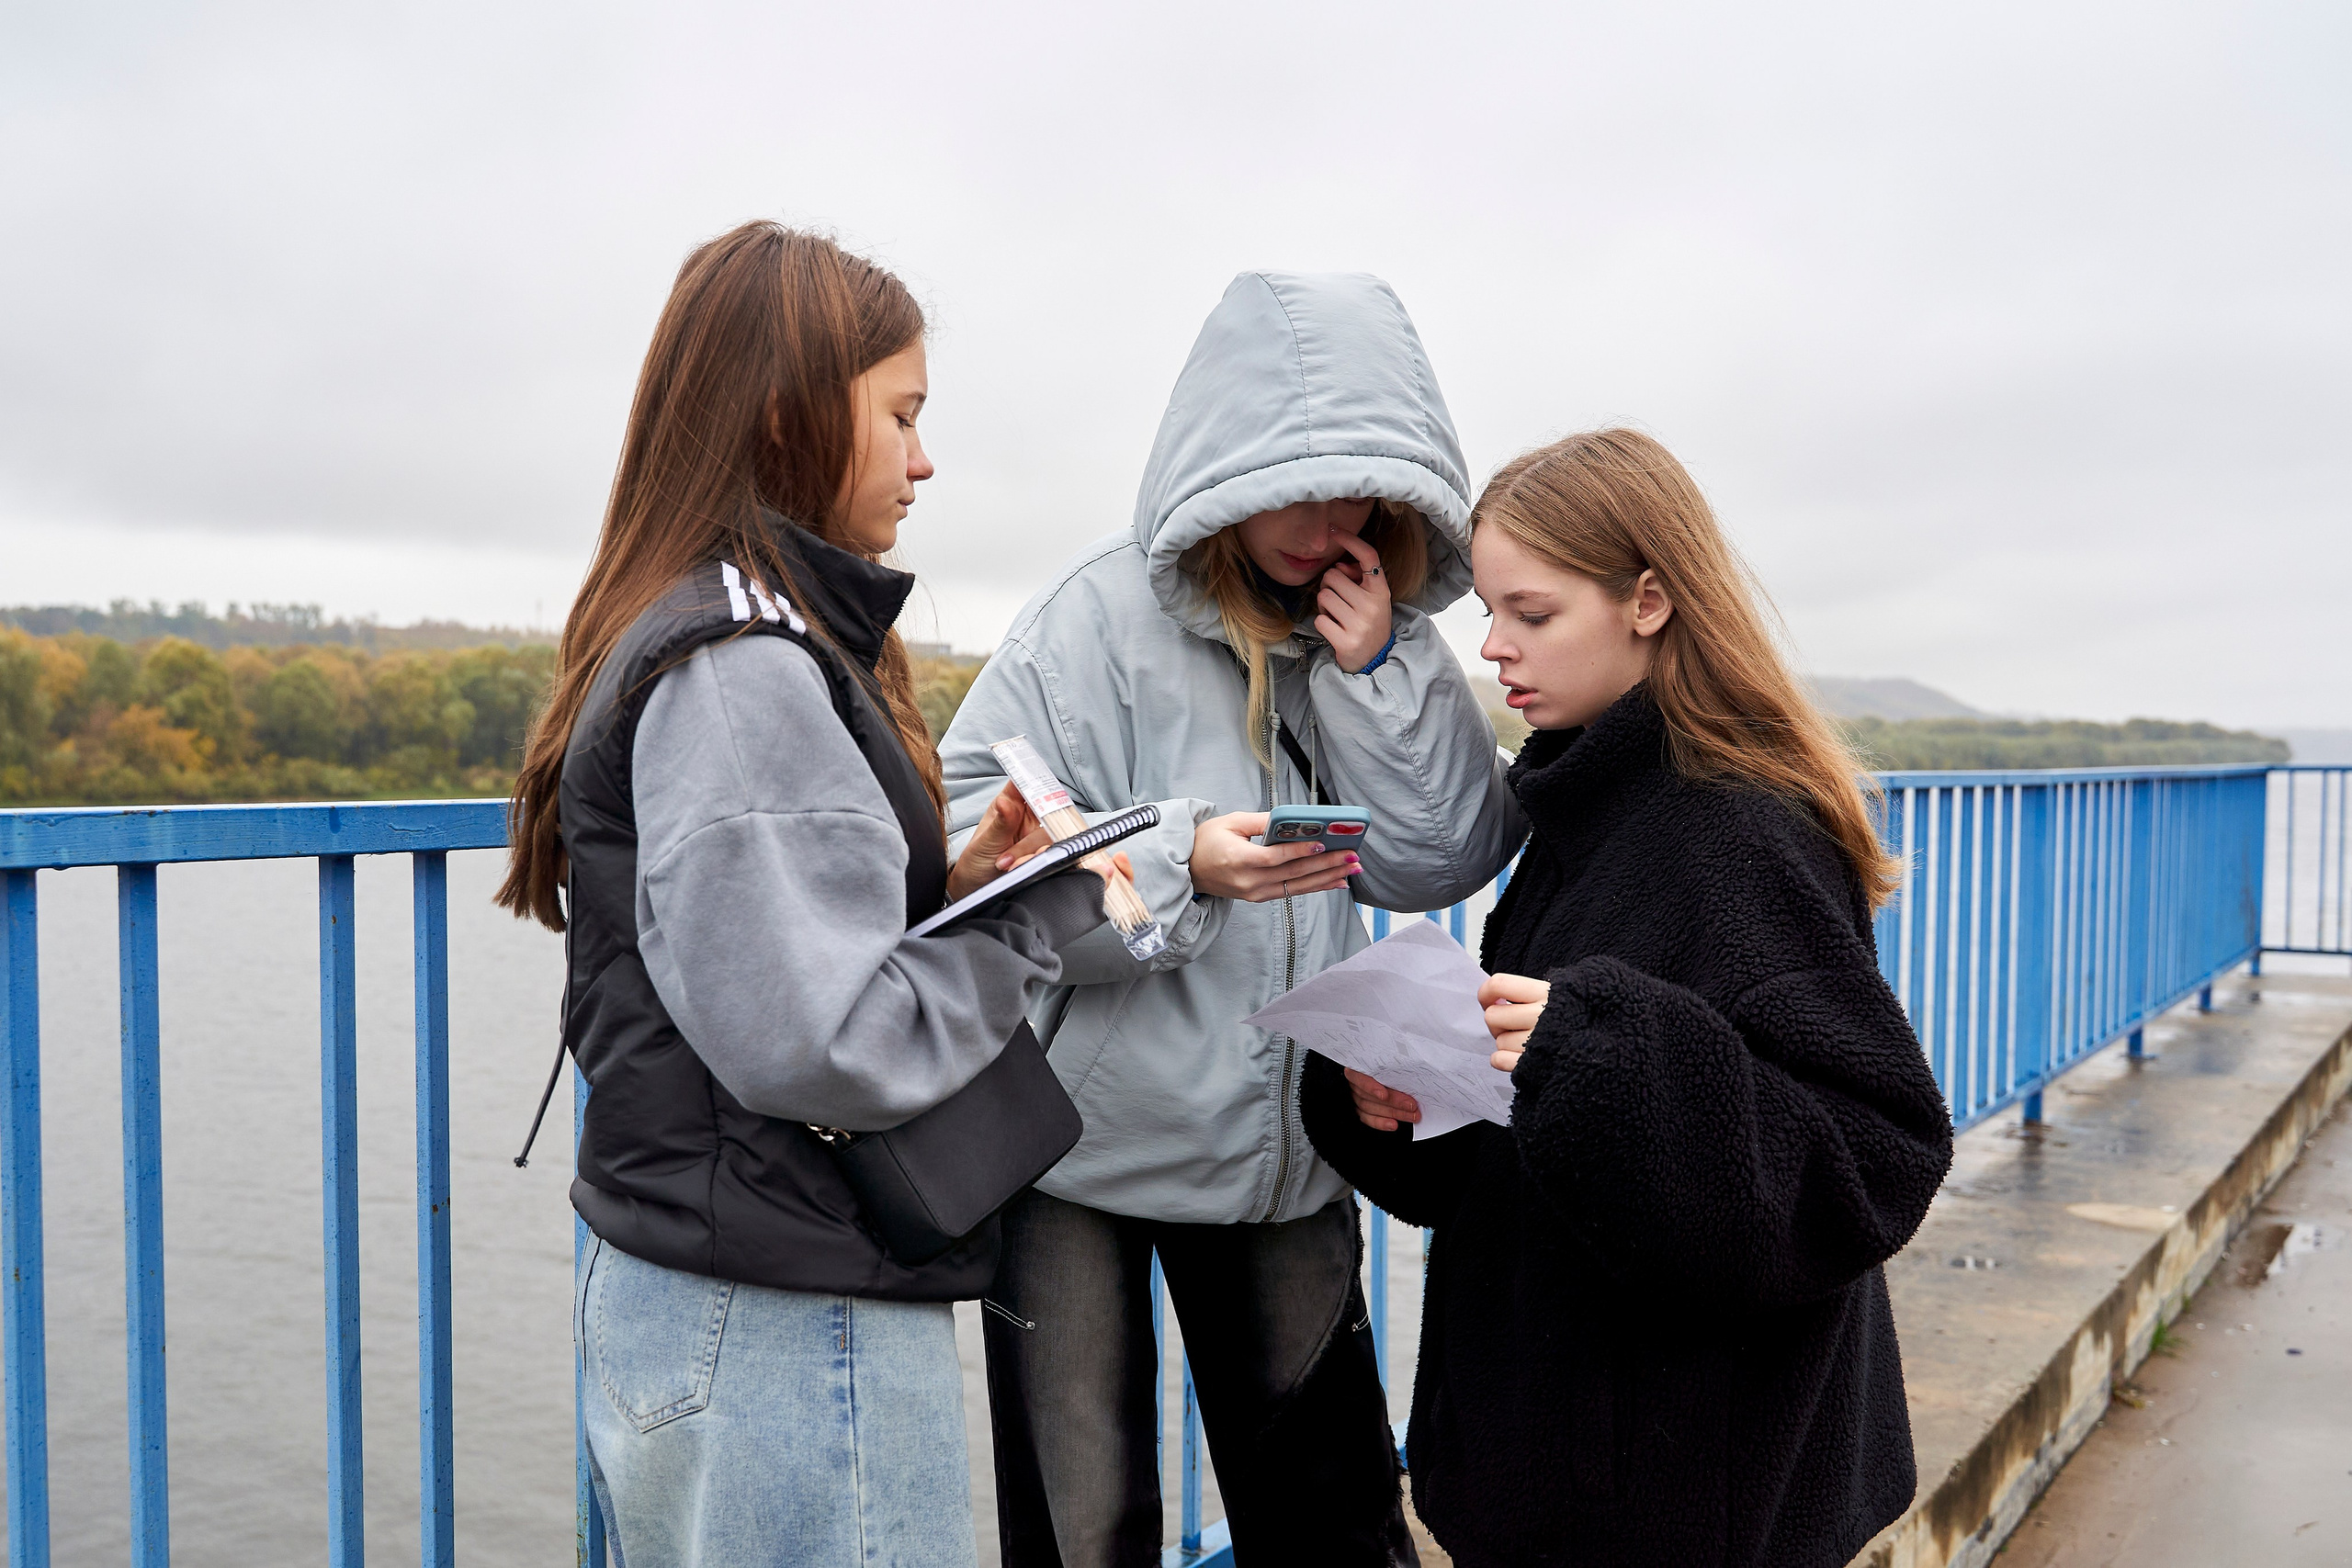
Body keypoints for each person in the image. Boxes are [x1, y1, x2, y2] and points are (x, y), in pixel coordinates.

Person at [496, 221, 1122, 1568]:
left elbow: (762, 959)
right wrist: (1033, 916)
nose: (923, 458)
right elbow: (823, 1040)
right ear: (787, 413)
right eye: (900, 414)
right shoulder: (746, 667)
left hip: (706, 1287)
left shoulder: (695, 622)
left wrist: (959, 884)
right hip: (781, 1323)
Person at [939, 271, 1521, 1566]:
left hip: (1284, 1151)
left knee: (1333, 1528)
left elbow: (1446, 855)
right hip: (1073, 1158)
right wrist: (1177, 860)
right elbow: (968, 851)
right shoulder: (1085, 621)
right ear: (1224, 469)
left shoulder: (1375, 626)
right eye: (1296, 488)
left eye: (1359, 491)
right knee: (1082, 1538)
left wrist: (1382, 673)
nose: (1330, 523)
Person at [1300, 428, 1955, 1568]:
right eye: (1489, 613)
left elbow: (1871, 1158)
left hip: (1687, 1494)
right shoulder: (1590, 810)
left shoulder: (1739, 831)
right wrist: (1393, 1099)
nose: (1494, 646)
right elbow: (1548, 1139)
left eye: (1532, 612)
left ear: (1647, 600)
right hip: (1577, 1465)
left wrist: (1596, 1049)